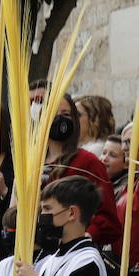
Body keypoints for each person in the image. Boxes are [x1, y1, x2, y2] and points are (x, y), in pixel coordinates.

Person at [40, 95, 120, 249]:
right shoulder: (31, 164)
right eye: (53, 114)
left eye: (65, 114)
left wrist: (85, 237)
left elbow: (109, 220)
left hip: (70, 256)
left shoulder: (87, 162)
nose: (59, 119)